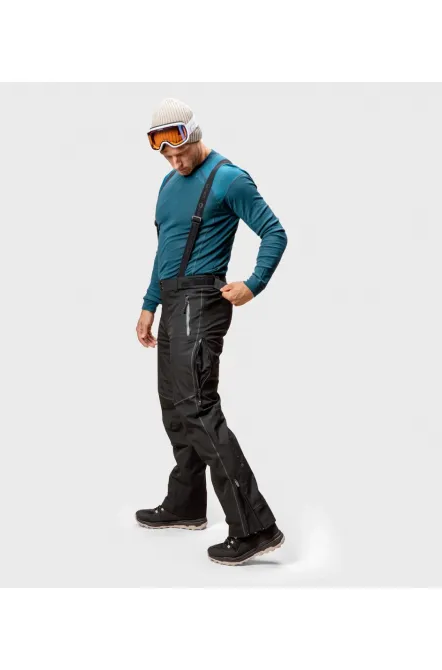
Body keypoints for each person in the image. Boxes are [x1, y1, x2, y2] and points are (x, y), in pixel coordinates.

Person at [134, 97, 288, 565]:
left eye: (180, 152)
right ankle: (185, 504)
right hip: (171, 300)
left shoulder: (228, 178)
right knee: (174, 408)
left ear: (195, 136)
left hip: (202, 302)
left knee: (197, 408)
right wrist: (149, 304)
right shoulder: (167, 183)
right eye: (166, 155)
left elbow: (275, 232)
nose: (176, 162)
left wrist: (253, 284)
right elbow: (165, 250)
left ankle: (255, 527)